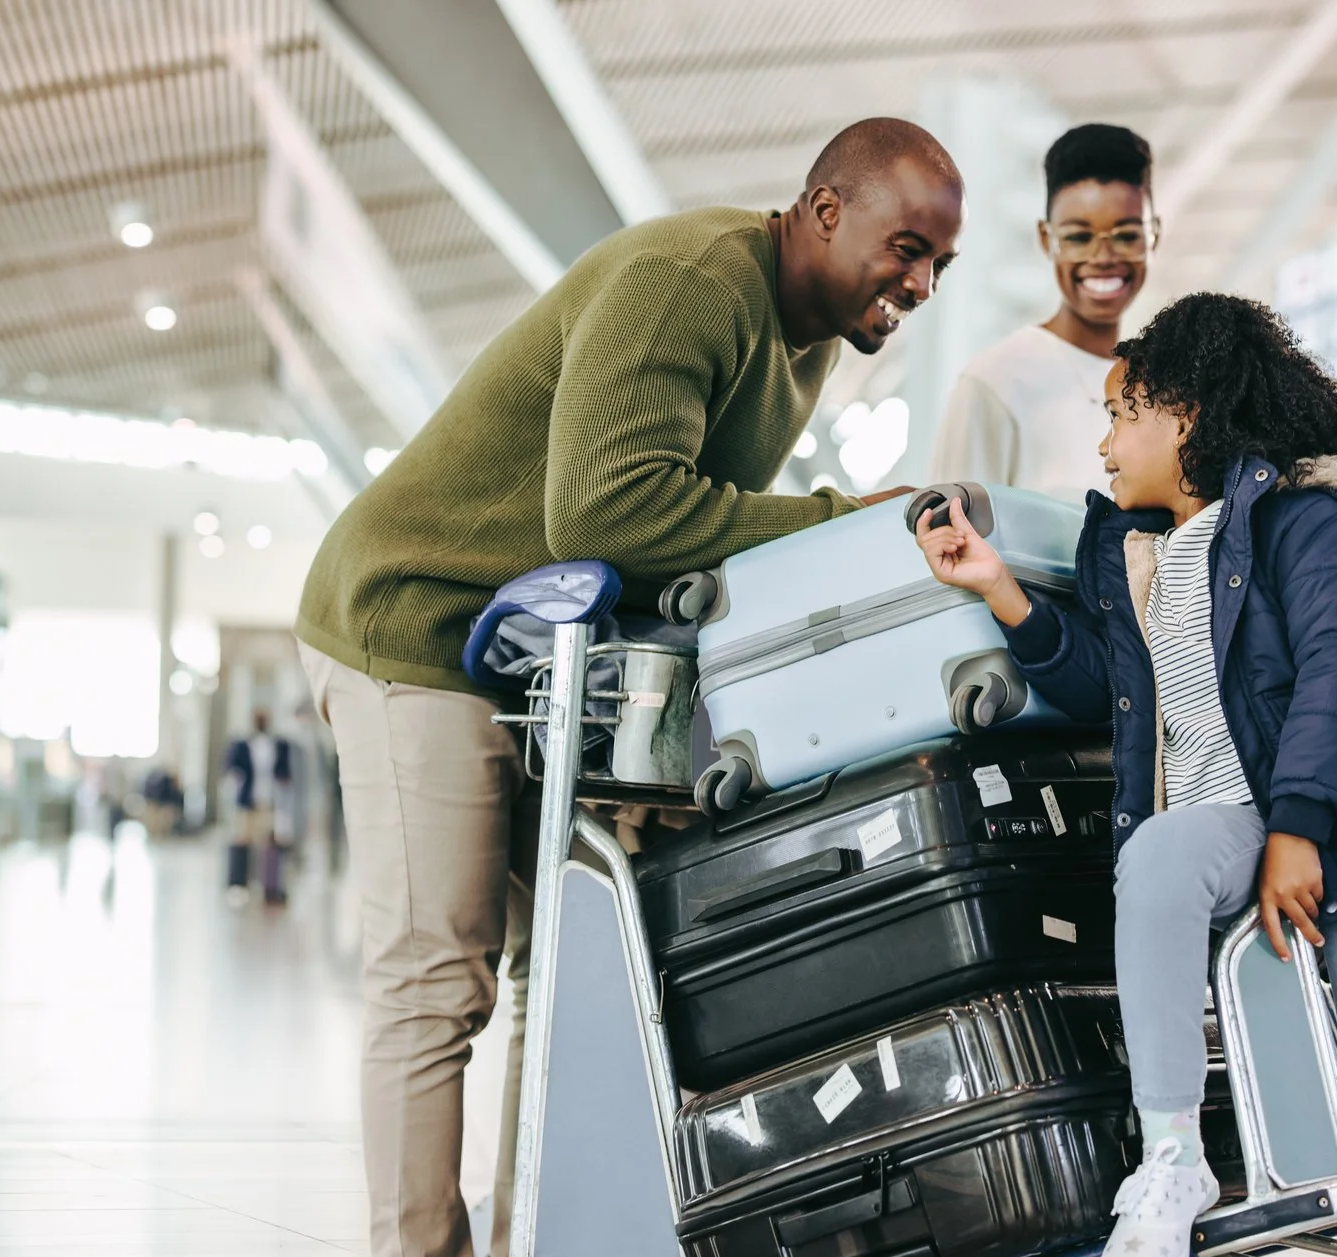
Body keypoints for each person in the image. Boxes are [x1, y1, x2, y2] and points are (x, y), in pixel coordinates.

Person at [297, 118, 965, 1257]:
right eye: (905, 246)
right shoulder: (691, 282)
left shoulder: (801, 341)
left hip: (532, 658)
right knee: (437, 977)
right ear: (822, 211)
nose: (919, 282)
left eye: (938, 266)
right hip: (416, 623)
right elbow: (609, 514)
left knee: (558, 974)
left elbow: (672, 547)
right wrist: (841, 521)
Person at [914, 293, 1337, 1257]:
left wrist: (1299, 828)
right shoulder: (1137, 552)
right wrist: (998, 588)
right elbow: (1106, 685)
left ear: (1184, 414)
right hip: (1237, 819)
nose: (1105, 447)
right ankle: (1171, 1153)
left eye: (1120, 415)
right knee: (1163, 852)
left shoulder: (1306, 518)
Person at [929, 123, 1157, 503]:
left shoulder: (1165, 385)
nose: (1102, 258)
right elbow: (946, 545)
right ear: (1046, 239)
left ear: (1154, 236)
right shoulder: (995, 382)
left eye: (1126, 235)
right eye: (1078, 237)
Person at [224, 712, 293, 906]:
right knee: (241, 840)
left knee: (269, 845)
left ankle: (270, 888)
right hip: (247, 801)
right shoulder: (242, 745)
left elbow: (284, 773)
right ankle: (238, 886)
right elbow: (232, 770)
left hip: (269, 801)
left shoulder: (278, 745)